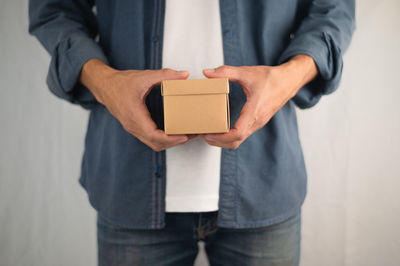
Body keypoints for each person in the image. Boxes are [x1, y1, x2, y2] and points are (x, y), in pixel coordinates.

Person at [29, 0, 355, 265]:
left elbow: (333, 9)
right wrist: (105, 83)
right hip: (129, 180)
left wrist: (288, 77)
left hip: (263, 178)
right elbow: (56, 9)